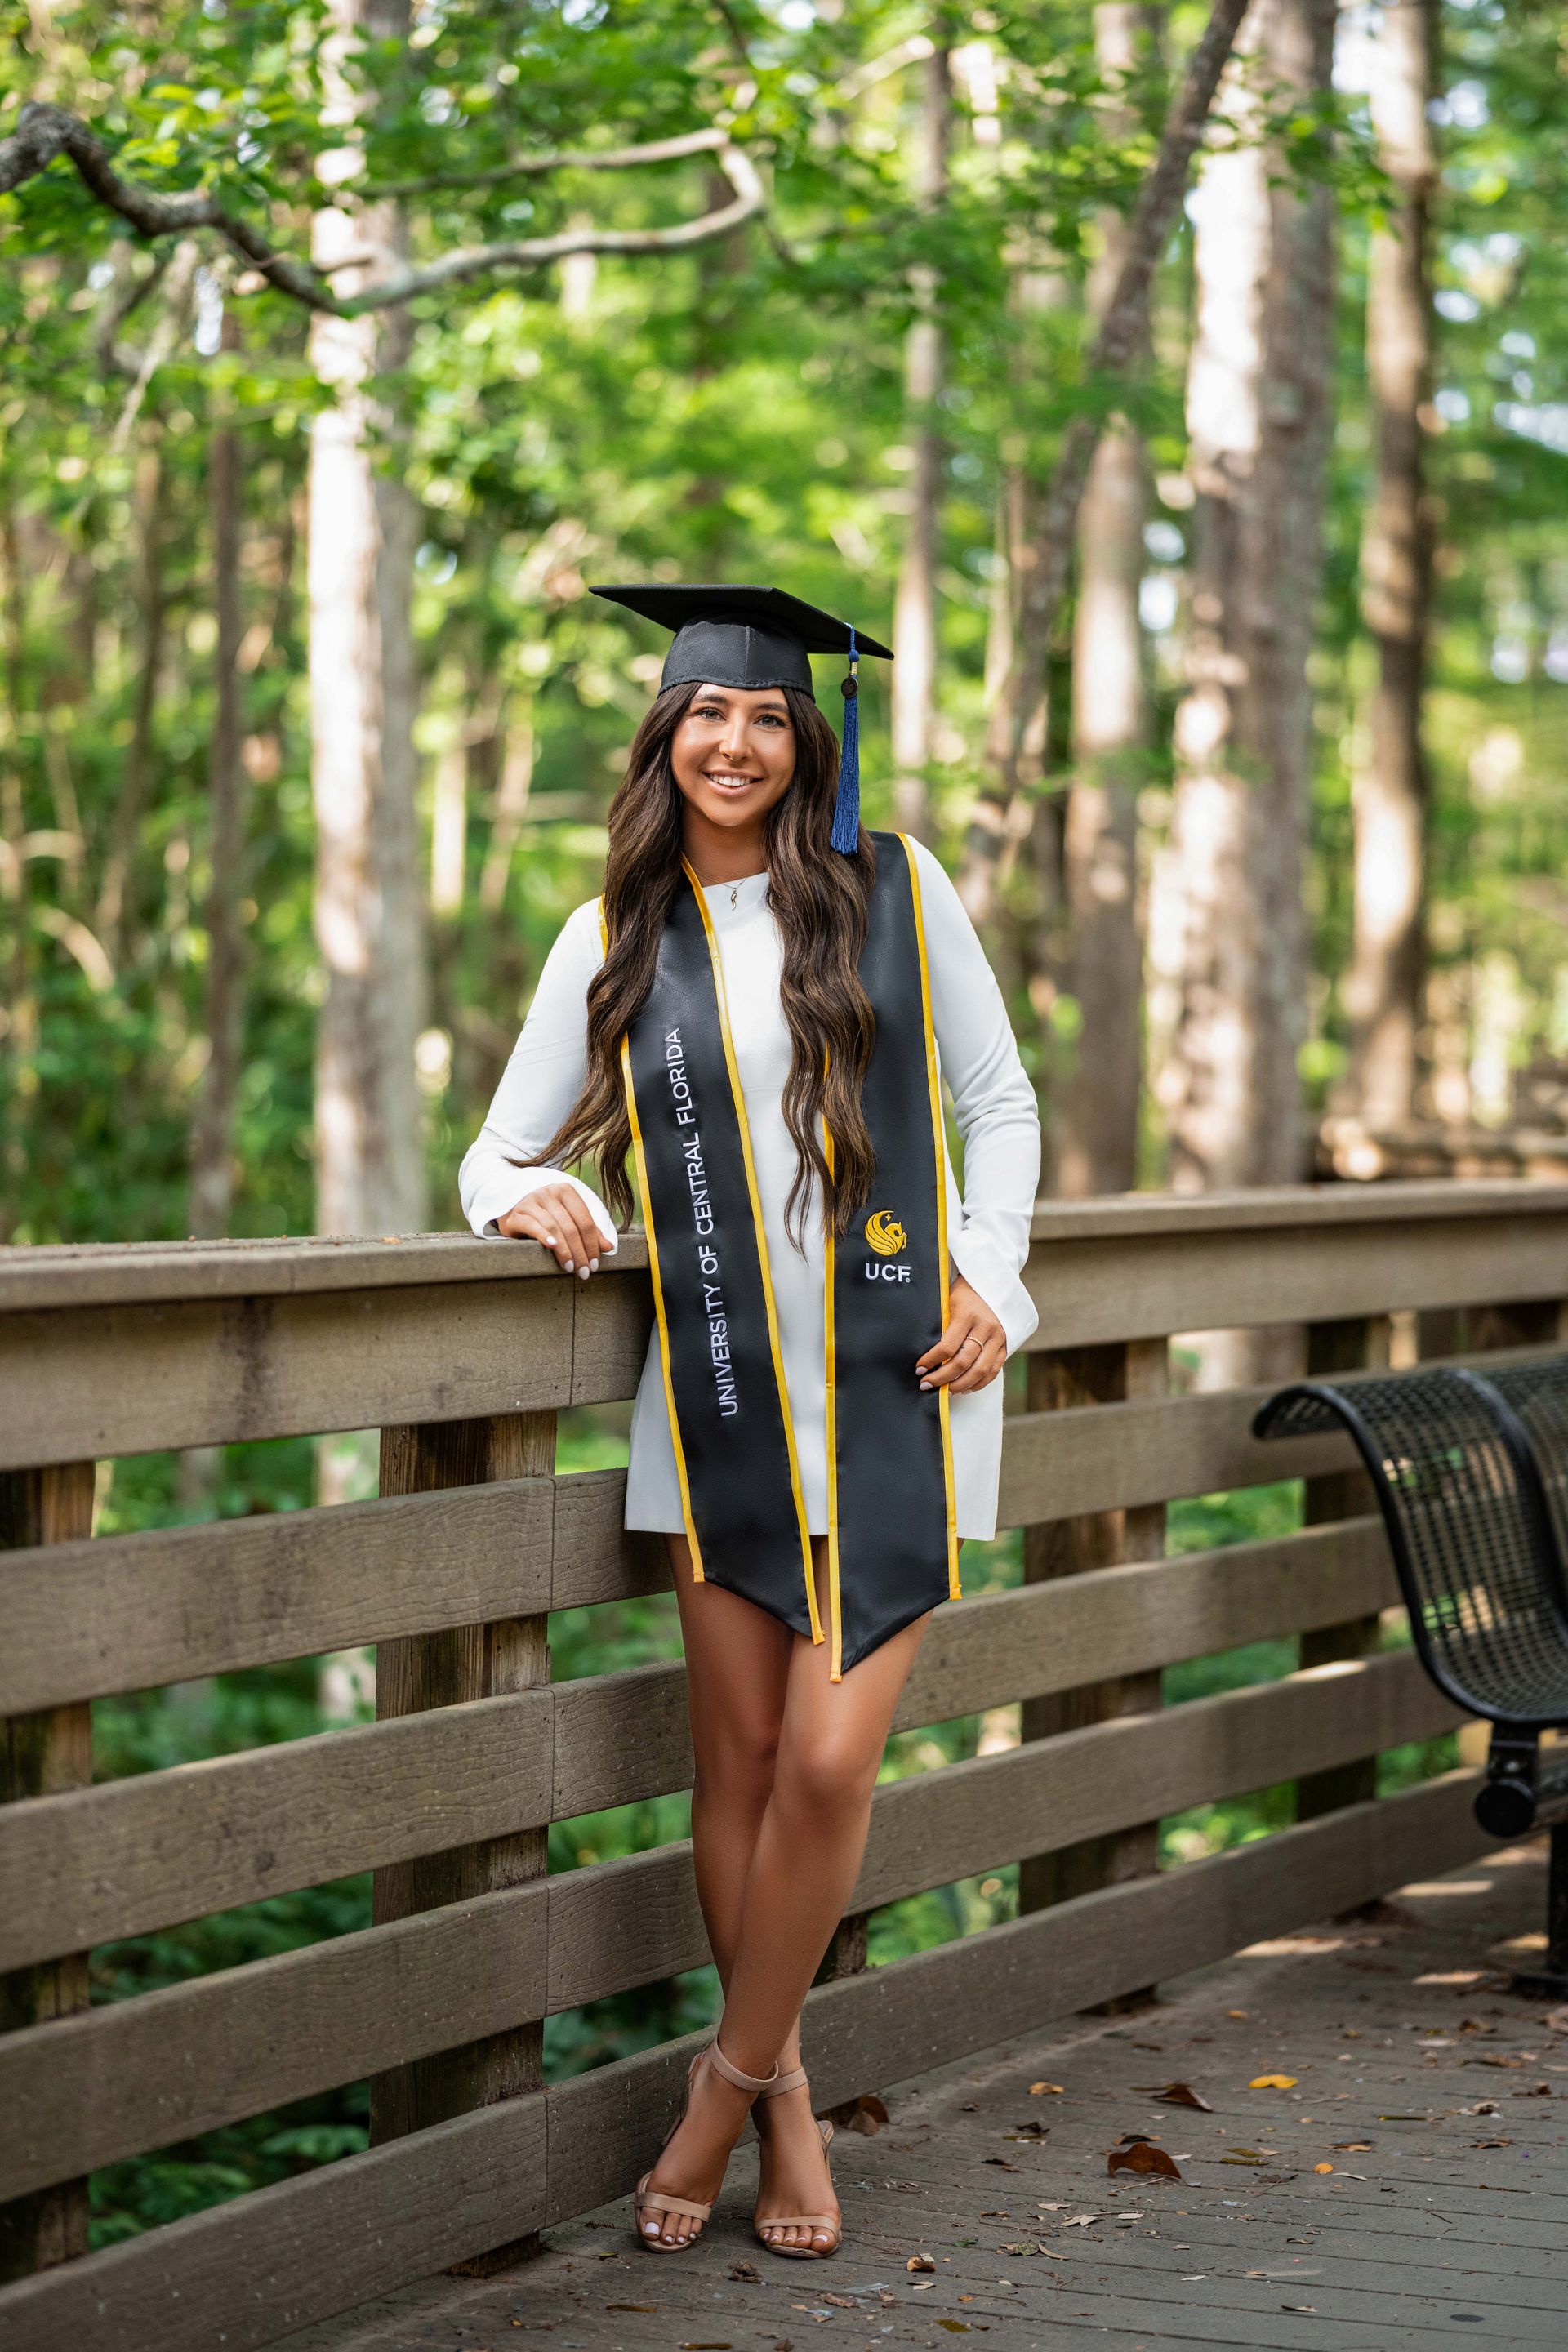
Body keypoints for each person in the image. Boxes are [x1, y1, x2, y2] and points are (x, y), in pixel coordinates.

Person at [460, 583, 1040, 2261]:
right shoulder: (611, 939)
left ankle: (713, 2095)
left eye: (768, 717)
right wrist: (528, 1207)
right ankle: (784, 2104)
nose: (735, 743)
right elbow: (498, 1149)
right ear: (665, 737)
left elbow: (996, 1107)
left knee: (831, 1762)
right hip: (715, 1405)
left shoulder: (896, 896)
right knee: (734, 1771)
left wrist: (996, 1275)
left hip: (899, 1396)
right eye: (707, 716)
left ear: (807, 741)